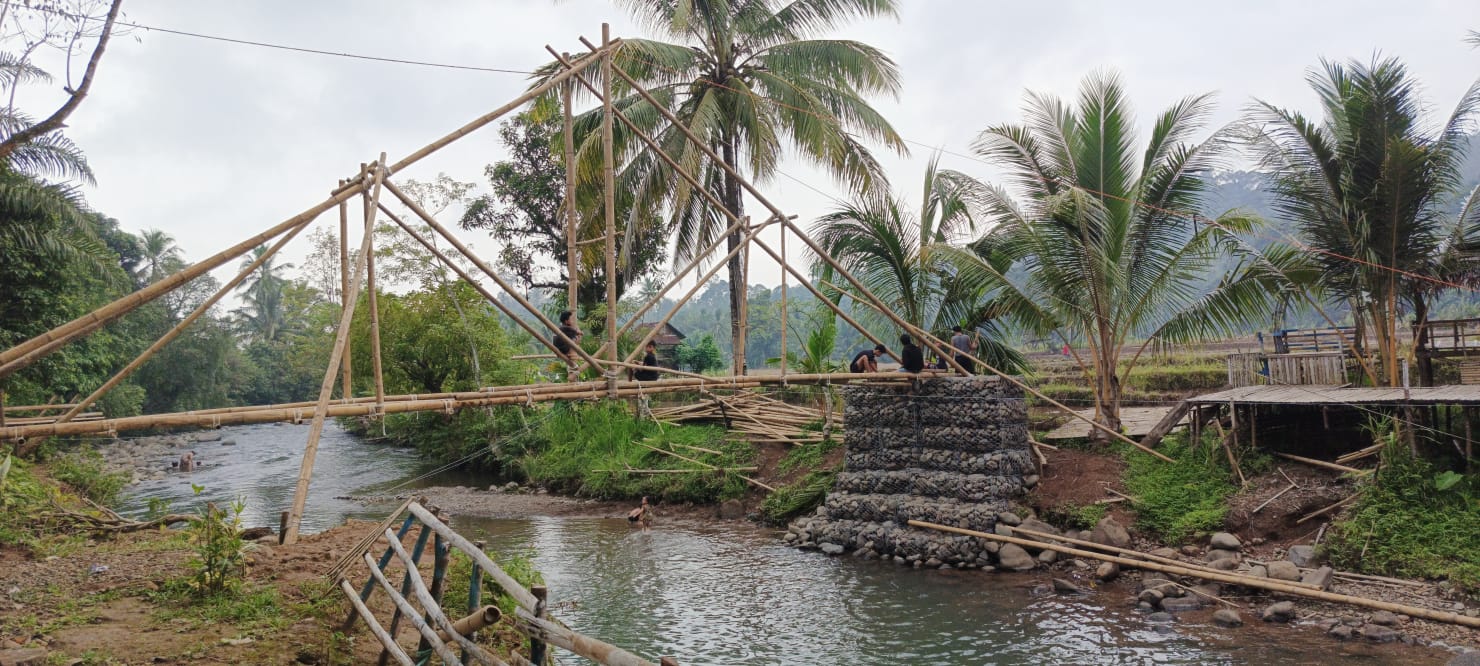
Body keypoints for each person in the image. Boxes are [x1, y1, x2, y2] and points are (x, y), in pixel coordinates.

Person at [553, 310, 583, 378]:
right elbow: (580, 333)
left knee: (574, 339)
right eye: (571, 319)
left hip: (559, 349)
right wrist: (577, 329)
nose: (572, 321)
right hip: (564, 349)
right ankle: (570, 353)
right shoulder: (566, 328)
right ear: (566, 321)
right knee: (576, 339)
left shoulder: (561, 327)